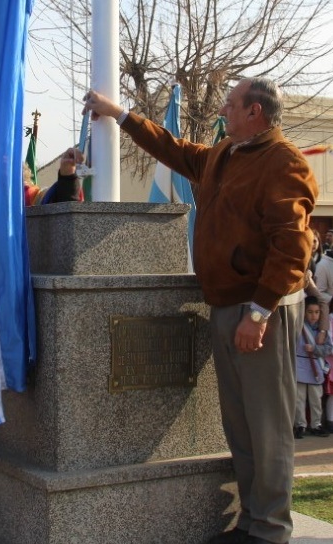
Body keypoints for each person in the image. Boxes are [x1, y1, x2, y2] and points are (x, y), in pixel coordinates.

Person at [85, 78, 316, 544]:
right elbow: (173, 149)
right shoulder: (225, 155)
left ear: (255, 112)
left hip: (259, 312)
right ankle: (251, 520)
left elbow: (293, 248)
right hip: (227, 305)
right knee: (240, 423)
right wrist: (121, 114)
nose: (224, 112)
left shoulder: (284, 163)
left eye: (231, 106)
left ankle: (270, 530)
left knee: (267, 426)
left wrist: (258, 313)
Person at [294, 296, 331, 439]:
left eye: (316, 312)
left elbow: (328, 349)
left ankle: (316, 425)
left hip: (315, 367)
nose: (313, 315)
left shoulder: (322, 331)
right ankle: (300, 425)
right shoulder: (298, 328)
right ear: (304, 312)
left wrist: (315, 349)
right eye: (310, 312)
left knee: (316, 399)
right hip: (300, 366)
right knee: (299, 399)